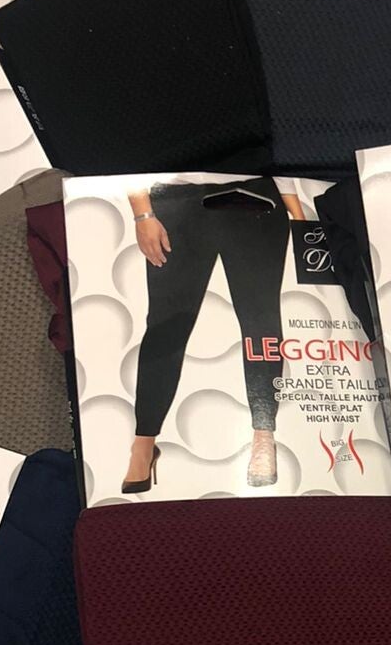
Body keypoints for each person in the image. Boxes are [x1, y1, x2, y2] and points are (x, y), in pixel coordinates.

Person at [122, 180, 302, 494]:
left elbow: (280, 159)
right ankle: (143, 443)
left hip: (254, 197)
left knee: (261, 322)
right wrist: (142, 214)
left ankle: (264, 437)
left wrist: (301, 221)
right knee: (166, 327)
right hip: (177, 200)